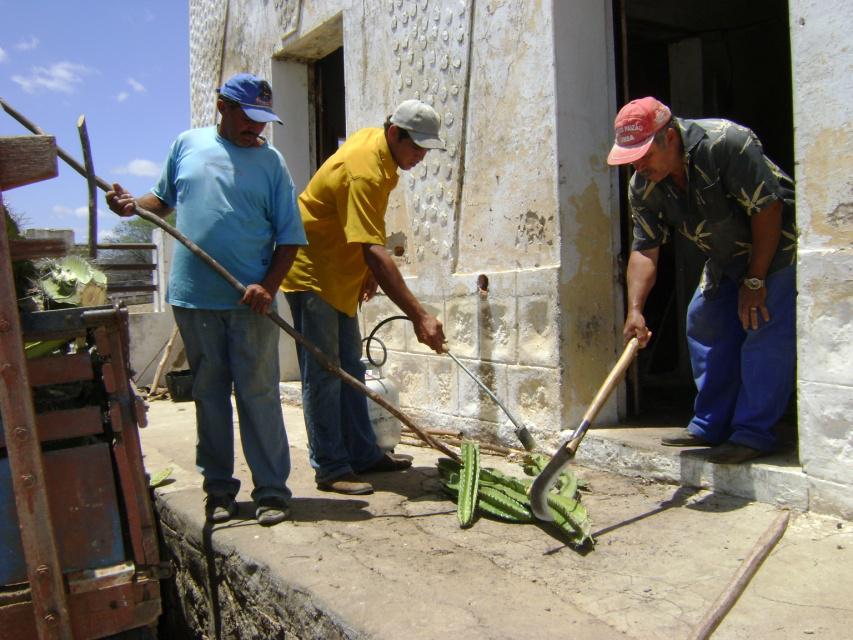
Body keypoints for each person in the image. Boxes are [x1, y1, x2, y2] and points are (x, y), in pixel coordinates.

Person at [106, 73, 307, 525]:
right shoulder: (187, 145)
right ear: (223, 106)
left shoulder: (272, 163)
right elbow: (159, 200)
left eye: (262, 120)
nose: (255, 128)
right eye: (248, 118)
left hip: (250, 303)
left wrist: (269, 287)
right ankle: (218, 490)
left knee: (259, 396)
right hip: (194, 300)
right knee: (209, 396)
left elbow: (290, 238)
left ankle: (272, 491)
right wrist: (127, 205)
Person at [607, 97, 796, 464]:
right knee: (703, 320)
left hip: (774, 248)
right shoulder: (643, 187)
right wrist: (635, 311)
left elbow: (768, 210)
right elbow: (645, 249)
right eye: (631, 156)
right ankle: (710, 425)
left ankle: (753, 434)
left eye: (644, 154)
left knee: (761, 327)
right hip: (724, 256)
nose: (638, 165)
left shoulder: (725, 143)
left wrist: (755, 281)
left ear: (670, 137)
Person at [282, 99, 447, 495]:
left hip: (340, 273)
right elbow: (373, 248)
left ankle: (362, 453)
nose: (421, 156)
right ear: (394, 133)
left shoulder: (381, 151)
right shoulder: (364, 170)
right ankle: (331, 465)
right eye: (416, 147)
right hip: (312, 273)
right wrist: (419, 316)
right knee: (324, 373)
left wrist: (363, 271)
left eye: (427, 148)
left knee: (351, 369)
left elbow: (363, 229)